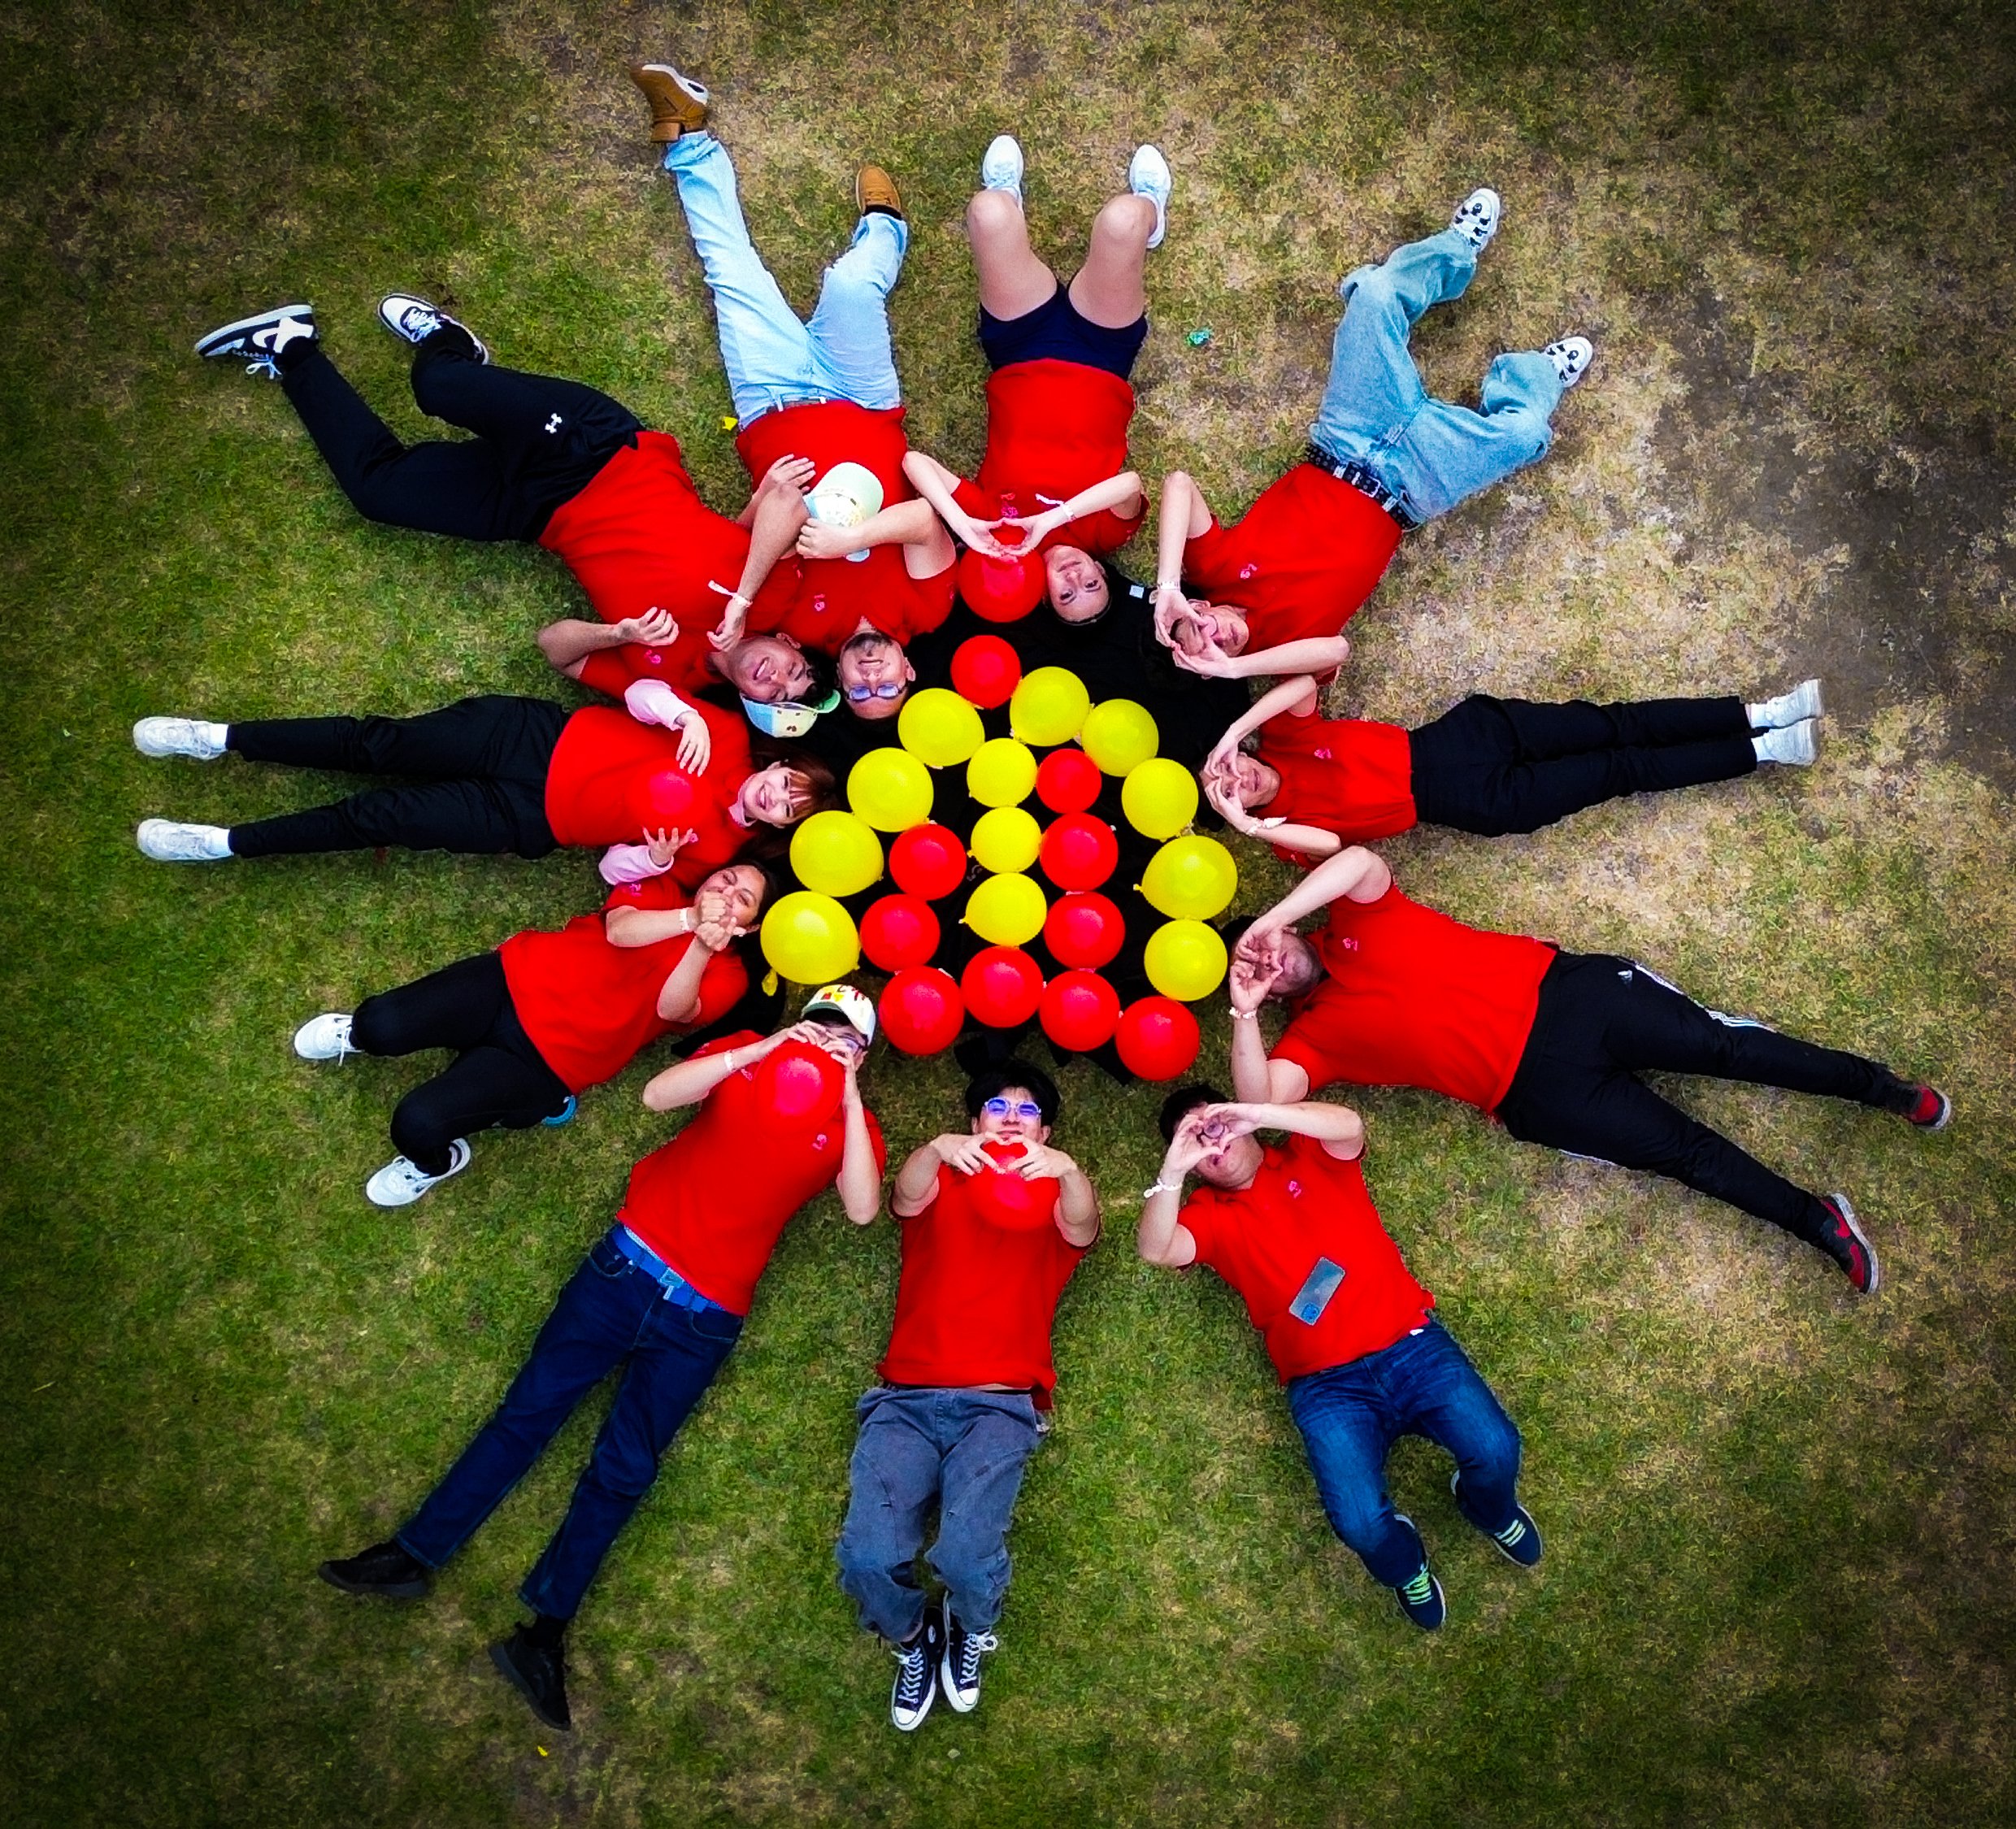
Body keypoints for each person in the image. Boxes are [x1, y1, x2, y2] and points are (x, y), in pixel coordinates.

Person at [315, 986, 887, 1732]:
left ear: (864, 1057)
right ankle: (412, 1556)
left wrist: (843, 1096)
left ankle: (543, 1636)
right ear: (797, 1026)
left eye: (848, 1038)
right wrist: (764, 1048)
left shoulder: (857, 1128)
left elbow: (863, 1207)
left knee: (623, 1473)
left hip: (704, 1321)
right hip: (627, 1267)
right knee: (526, 1415)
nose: (830, 1040)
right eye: (821, 1024)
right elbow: (657, 1094)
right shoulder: (744, 1060)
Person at [1227, 848, 1953, 1295]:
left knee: (1730, 1051)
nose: (1268, 963)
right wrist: (1243, 1010)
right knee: (1688, 1157)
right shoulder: (1314, 1036)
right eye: (1255, 971)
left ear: (1283, 927)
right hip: (1537, 1096)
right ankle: (1817, 1221)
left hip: (1573, 997)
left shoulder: (1359, 917)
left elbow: (1357, 862)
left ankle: (1877, 1088)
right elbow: (1260, 1101)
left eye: (1261, 946)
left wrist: (1271, 918)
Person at [191, 296, 839, 730]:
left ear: (752, 703)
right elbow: (785, 500)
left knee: (379, 492)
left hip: (537, 518)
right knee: (435, 387)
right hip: (596, 450)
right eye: (795, 671)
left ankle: (292, 347)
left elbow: (556, 650)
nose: (779, 680)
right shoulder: (776, 597)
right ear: (786, 644)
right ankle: (448, 343)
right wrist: (741, 596)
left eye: (777, 697)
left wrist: (618, 636)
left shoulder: (673, 681)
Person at [1141, 1088, 1542, 1630]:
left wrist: (1255, 1114)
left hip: (1411, 1345)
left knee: (1496, 1448)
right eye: (1194, 1138)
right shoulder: (1207, 1216)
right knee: (1358, 1524)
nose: (1212, 1141)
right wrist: (1172, 1167)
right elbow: (1156, 1249)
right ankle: (1406, 1568)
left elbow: (1350, 1124)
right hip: (1328, 1389)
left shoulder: (1308, 1153)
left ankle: (1487, 1508)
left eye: (1214, 1124)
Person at [1149, 189, 1592, 680]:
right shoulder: (1289, 652)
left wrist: (1170, 587)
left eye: (1201, 627)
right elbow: (1336, 651)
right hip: (1416, 483)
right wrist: (1238, 670)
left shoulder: (1213, 571)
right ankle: (1538, 374)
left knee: (1375, 297)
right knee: (1524, 433)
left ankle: (1457, 249)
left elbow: (1179, 486)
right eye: (1214, 654)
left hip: (1347, 435)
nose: (1217, 638)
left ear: (1203, 605)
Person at [632, 62, 956, 708]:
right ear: (910, 672)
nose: (872, 678)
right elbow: (924, 519)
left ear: (838, 682)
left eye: (861, 692)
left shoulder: (797, 629)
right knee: (849, 285)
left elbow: (747, 546)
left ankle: (688, 135)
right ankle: (886, 229)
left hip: (770, 401)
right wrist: (851, 542)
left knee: (730, 273)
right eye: (888, 687)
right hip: (863, 400)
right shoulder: (927, 608)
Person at [836, 1061, 1099, 1730]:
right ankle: (911, 1638)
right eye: (996, 1106)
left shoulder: (1052, 1202)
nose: (1012, 1117)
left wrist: (1066, 1170)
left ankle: (968, 1626)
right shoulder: (944, 1181)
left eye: (1028, 1110)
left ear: (1047, 1132)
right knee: (866, 1555)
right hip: (905, 1403)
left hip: (999, 1407)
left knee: (964, 1553)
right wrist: (934, 1149)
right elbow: (903, 1199)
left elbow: (1084, 1229)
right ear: (974, 1123)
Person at [291, 860, 769, 1206]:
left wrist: (702, 947)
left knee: (416, 1125)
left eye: (743, 898)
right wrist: (689, 920)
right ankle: (355, 1037)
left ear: (750, 925)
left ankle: (438, 1162)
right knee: (378, 1025)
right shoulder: (663, 889)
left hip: (550, 1060)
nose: (727, 893)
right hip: (511, 980)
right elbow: (621, 931)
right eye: (727, 879)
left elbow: (674, 1008)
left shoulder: (729, 974)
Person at [131, 675, 836, 885]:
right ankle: (218, 739)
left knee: (381, 819)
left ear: (779, 829)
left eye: (787, 811)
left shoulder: (714, 852)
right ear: (776, 766)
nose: (777, 797)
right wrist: (682, 713)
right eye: (786, 784)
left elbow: (612, 873)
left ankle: (225, 843)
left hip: (524, 818)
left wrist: (651, 859)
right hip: (531, 736)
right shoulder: (728, 735)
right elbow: (642, 693)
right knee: (380, 743)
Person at [902, 133, 1167, 623]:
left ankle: (1009, 199)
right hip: (1101, 353)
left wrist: (962, 524)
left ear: (1042, 594)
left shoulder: (993, 523)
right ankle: (1153, 211)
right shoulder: (1099, 534)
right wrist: (1056, 519)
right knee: (1123, 220)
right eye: (1091, 583)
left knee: (988, 212)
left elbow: (915, 462)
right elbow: (1130, 485)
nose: (1074, 577)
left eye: (1066, 594)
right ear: (1100, 569)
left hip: (1018, 349)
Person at [1203, 673, 1827, 860]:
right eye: (1228, 795)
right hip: (1479, 801)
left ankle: (1760, 711)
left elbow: (1318, 665)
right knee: (1621, 771)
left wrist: (1235, 729)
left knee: (1618, 724)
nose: (1238, 782)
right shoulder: (1285, 830)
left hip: (1464, 736)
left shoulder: (1284, 735)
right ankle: (1768, 749)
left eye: (1227, 770)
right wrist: (1250, 825)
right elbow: (1334, 846)